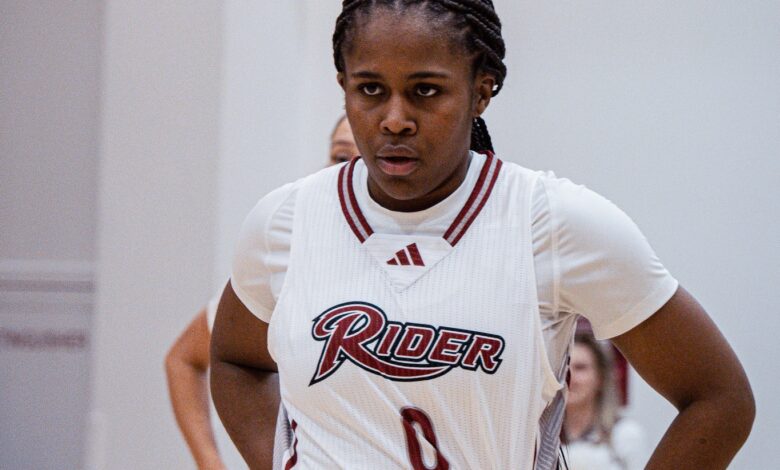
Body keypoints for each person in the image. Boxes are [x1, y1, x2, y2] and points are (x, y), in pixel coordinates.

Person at [211, 1, 755, 469]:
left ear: (482, 91)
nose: (394, 118)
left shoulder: (555, 222)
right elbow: (235, 362)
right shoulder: (286, 219)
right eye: (370, 89)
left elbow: (719, 398)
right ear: (343, 88)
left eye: (425, 91)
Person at [165, 115, 358, 470]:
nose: (356, 171)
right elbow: (184, 359)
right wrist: (210, 462)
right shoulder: (289, 255)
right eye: (342, 158)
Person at [564, 332, 646, 470]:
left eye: (580, 368)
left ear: (600, 377)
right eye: (564, 369)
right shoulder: (540, 439)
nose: (569, 377)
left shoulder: (625, 435)